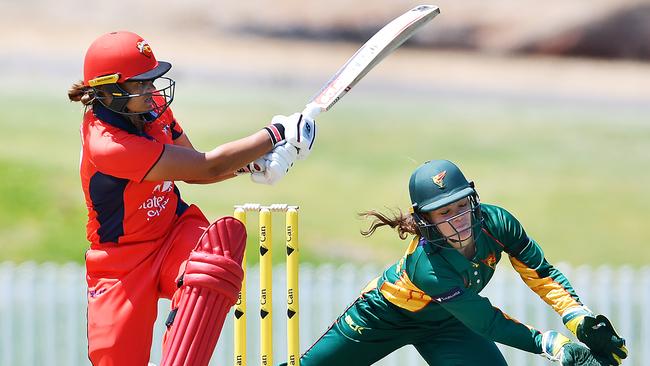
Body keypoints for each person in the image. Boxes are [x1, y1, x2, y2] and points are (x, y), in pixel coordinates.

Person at [67, 30, 316, 366]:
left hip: (173, 233)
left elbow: (192, 169)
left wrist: (251, 165)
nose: (152, 90)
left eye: (151, 80)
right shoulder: (108, 145)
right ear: (110, 91)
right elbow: (207, 167)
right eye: (140, 84)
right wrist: (275, 134)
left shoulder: (152, 109)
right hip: (120, 263)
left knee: (212, 264)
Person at [287, 160, 628, 366]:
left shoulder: (497, 223)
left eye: (463, 205)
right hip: (383, 316)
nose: (460, 219)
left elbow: (541, 274)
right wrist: (552, 345)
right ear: (426, 221)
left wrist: (579, 320)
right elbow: (488, 322)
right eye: (446, 212)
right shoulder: (427, 267)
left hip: (449, 322)